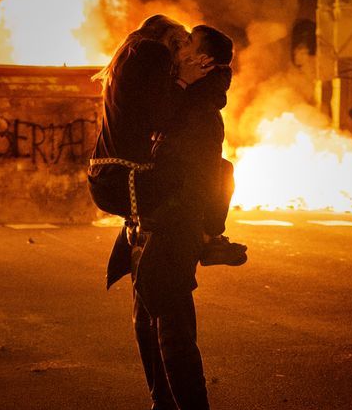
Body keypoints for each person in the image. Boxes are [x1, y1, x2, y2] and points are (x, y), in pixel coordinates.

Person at [113, 25, 236, 410]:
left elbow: (213, 175)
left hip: (173, 229)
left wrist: (204, 231)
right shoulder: (179, 99)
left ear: (204, 62)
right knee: (146, 322)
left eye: (187, 45)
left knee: (174, 331)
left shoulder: (199, 111)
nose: (177, 50)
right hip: (152, 224)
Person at [88, 15, 245, 289]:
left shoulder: (131, 56)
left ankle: (207, 238)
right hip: (128, 179)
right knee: (216, 173)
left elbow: (152, 117)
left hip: (110, 177)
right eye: (183, 41)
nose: (182, 50)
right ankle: (211, 239)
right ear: (170, 40)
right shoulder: (153, 52)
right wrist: (183, 80)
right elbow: (162, 118)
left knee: (219, 170)